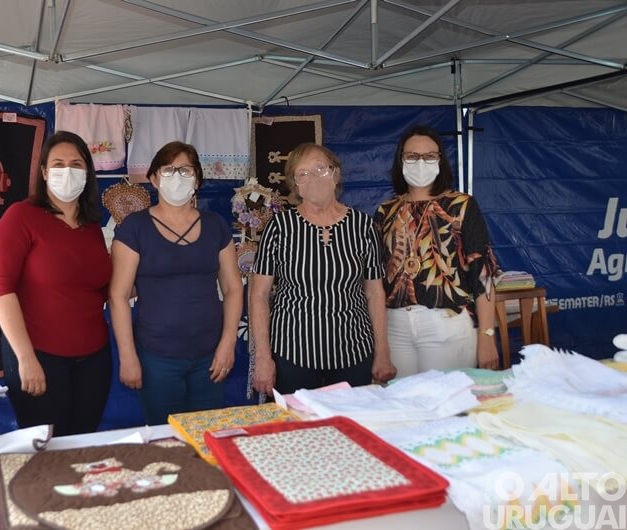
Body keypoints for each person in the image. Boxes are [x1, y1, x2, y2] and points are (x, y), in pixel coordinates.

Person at [109, 141, 243, 425]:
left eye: (185, 170)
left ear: (197, 179)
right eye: (169, 170)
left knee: (208, 438)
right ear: (154, 178)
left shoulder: (216, 225)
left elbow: (232, 288)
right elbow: (118, 296)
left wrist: (228, 343)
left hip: (210, 357)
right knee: (165, 439)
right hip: (156, 359)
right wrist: (128, 355)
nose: (177, 177)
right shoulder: (135, 227)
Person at [0, 130, 112, 436]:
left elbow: (101, 289)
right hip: (39, 358)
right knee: (47, 453)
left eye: (76, 164)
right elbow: (0, 291)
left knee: (83, 449)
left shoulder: (93, 228)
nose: (66, 171)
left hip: (94, 361)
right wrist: (25, 358)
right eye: (57, 164)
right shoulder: (21, 218)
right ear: (44, 172)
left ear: (87, 173)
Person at [251, 143, 396, 396]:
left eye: (320, 168)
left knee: (350, 429)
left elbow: (375, 292)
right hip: (292, 354)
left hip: (354, 352)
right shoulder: (280, 227)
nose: (313, 178)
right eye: (303, 173)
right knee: (296, 431)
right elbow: (259, 295)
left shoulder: (363, 227)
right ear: (294, 185)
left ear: (336, 173)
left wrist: (382, 352)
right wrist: (263, 357)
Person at [373, 125, 501, 377]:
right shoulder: (385, 211)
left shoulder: (462, 206)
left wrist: (487, 335)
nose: (420, 163)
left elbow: (483, 275)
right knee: (404, 406)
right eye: (412, 156)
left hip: (446, 325)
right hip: (395, 327)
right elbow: (375, 277)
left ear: (440, 160)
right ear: (400, 160)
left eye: (429, 156)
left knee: (447, 408)